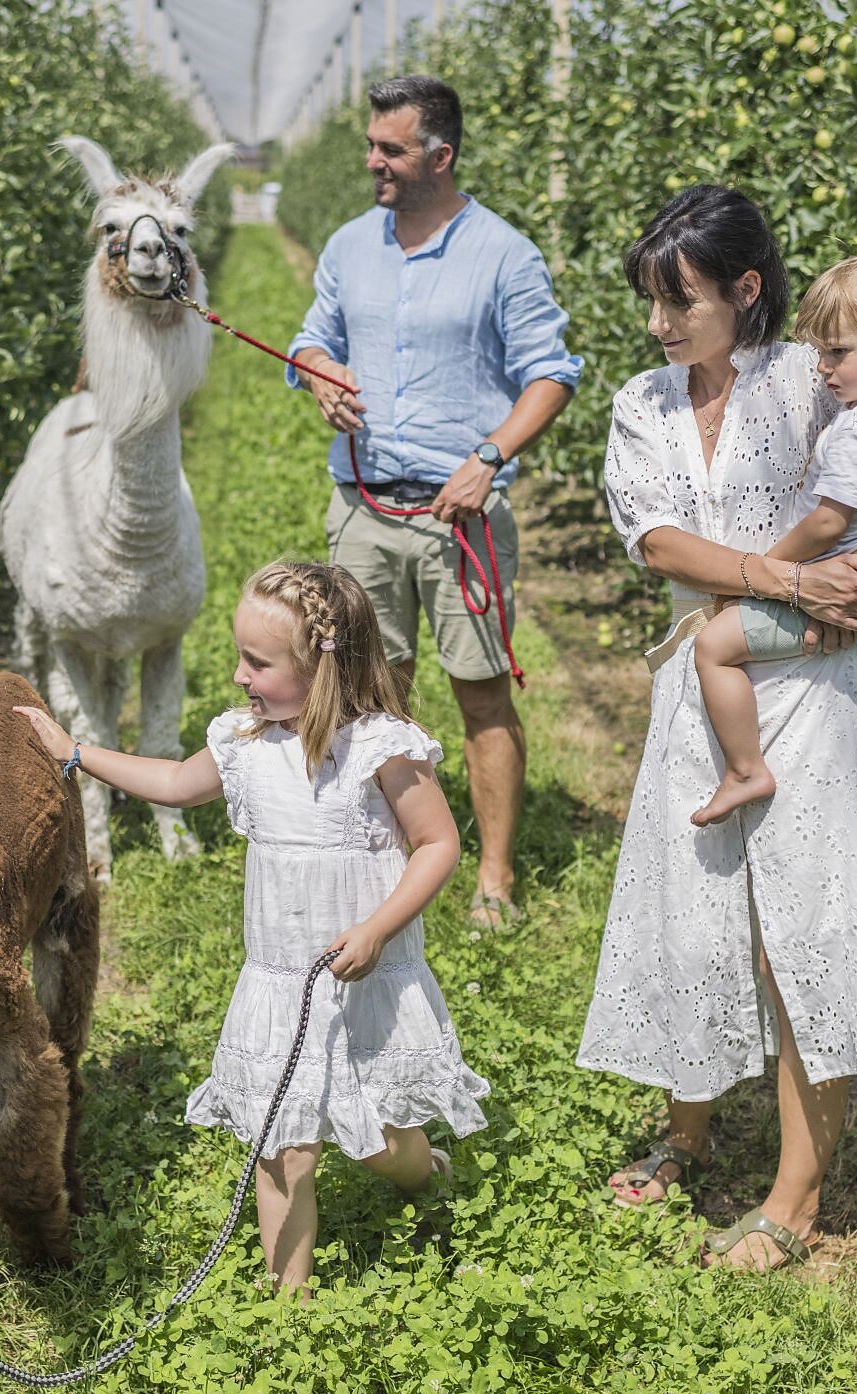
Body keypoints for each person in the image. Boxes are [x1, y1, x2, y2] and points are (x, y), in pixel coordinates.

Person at [576, 186, 857, 1270]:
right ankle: (687, 1133)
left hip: (818, 691)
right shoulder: (641, 405)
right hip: (711, 678)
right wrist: (791, 577)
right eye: (651, 301)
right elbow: (657, 544)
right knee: (690, 915)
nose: (661, 323)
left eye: (680, 299)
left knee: (809, 935)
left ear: (746, 290)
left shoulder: (819, 375)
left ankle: (795, 1197)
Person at [15, 561, 489, 1293]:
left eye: (258, 662)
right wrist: (75, 752)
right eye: (241, 656)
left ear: (322, 668)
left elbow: (439, 845)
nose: (239, 675)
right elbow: (175, 782)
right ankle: (286, 1306)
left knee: (381, 1145)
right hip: (281, 982)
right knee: (283, 1150)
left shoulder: (380, 749)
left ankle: (425, 1174)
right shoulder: (245, 742)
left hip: (368, 982)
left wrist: (376, 930)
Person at [288, 74, 583, 929]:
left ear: (440, 156)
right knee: (369, 691)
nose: (374, 162)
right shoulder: (349, 246)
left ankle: (493, 875)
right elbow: (314, 336)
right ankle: (390, 858)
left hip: (462, 519)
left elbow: (552, 373)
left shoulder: (504, 254)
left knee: (481, 692)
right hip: (366, 509)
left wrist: (490, 456)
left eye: (392, 149)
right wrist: (316, 372)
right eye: (371, 146)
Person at [689, 254, 857, 842]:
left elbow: (830, 523)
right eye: (819, 352)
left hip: (850, 584)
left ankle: (745, 769)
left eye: (838, 353)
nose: (824, 369)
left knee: (714, 648)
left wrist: (767, 566)